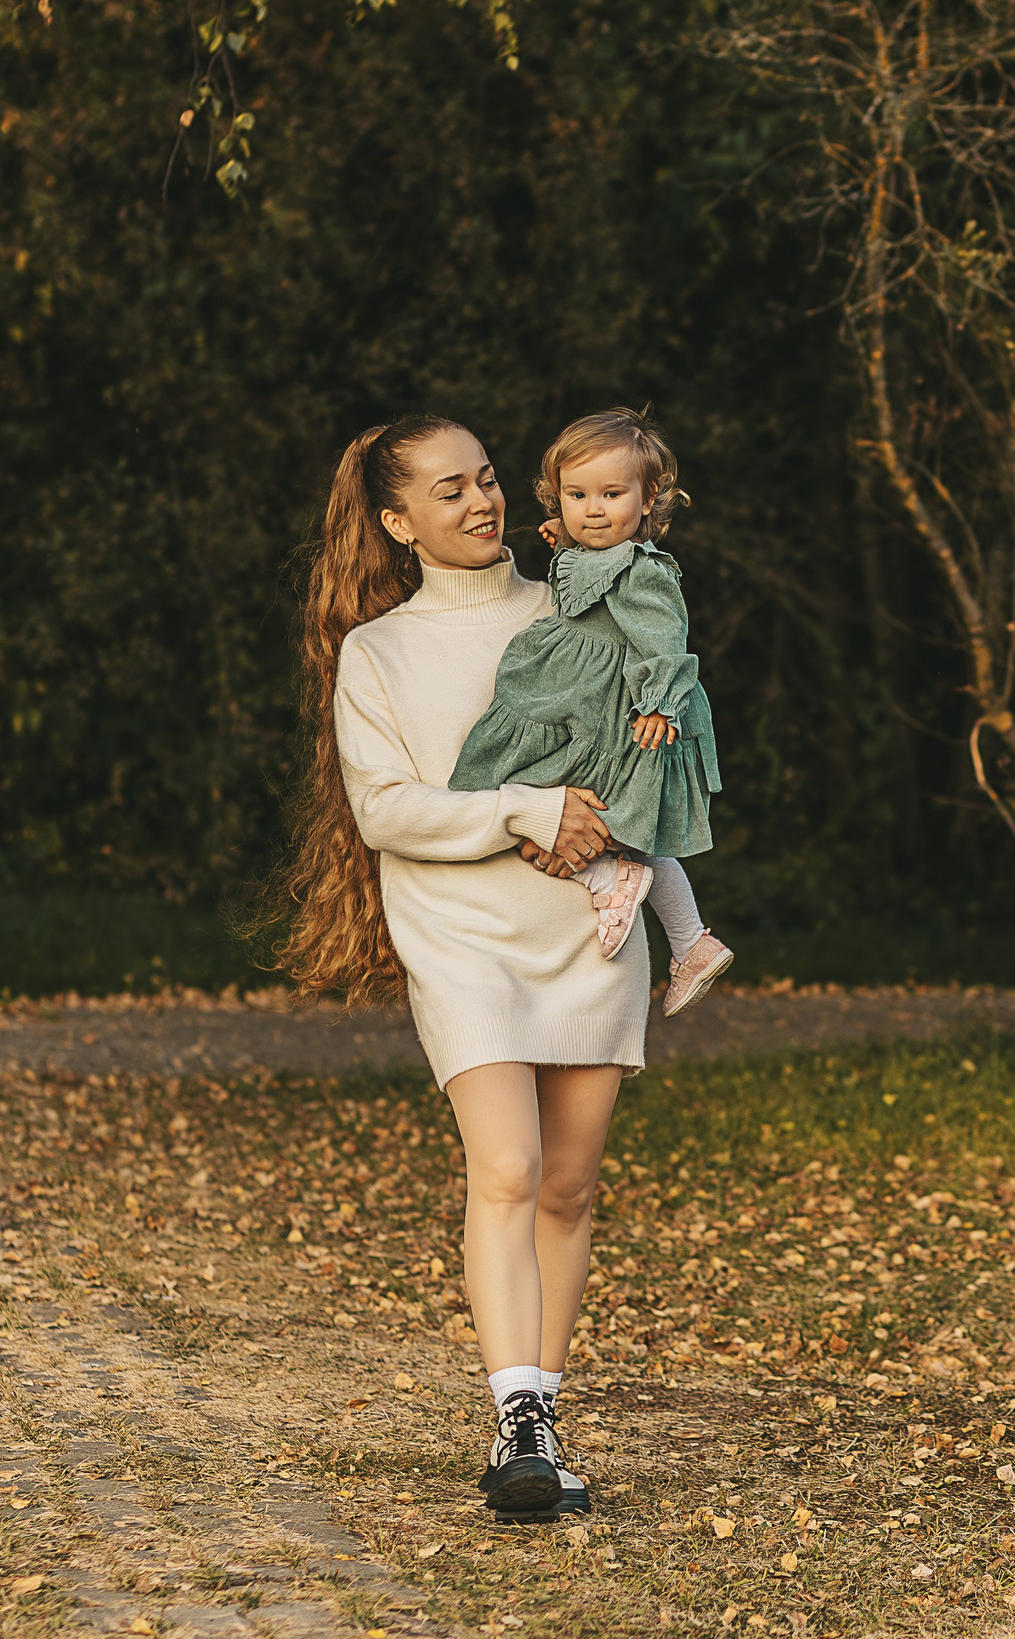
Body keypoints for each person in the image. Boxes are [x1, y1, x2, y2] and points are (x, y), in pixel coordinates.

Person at [269, 413, 646, 1518]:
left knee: (569, 1189)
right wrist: (527, 805)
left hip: (587, 929)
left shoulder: (578, 605)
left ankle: (545, 1414)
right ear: (398, 523)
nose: (481, 503)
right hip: (462, 941)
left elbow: (643, 742)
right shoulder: (376, 653)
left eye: (486, 479)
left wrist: (615, 802)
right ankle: (517, 1418)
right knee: (509, 1172)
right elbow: (388, 810)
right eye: (449, 491)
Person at [450, 409, 733, 1017]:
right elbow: (584, 580)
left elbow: (666, 638)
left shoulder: (642, 569)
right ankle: (690, 940)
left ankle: (617, 885)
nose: (593, 510)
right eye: (576, 496)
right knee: (567, 812)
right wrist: (567, 536)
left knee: (553, 807)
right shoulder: (592, 550)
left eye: (611, 494)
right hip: (586, 707)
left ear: (648, 496)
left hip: (622, 719)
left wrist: (659, 704)